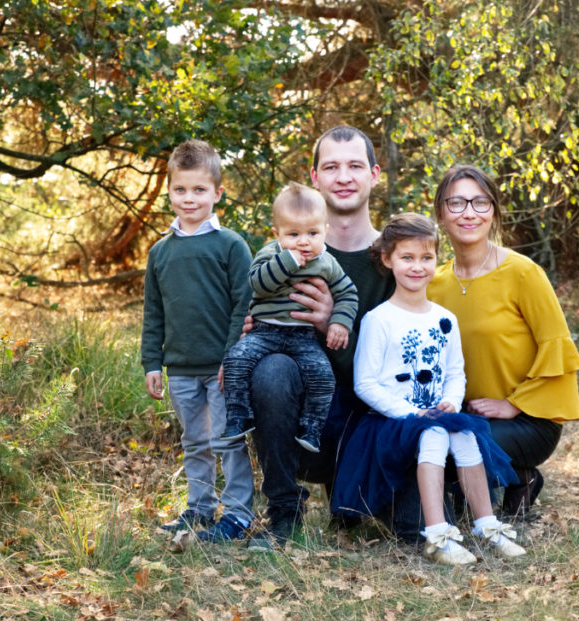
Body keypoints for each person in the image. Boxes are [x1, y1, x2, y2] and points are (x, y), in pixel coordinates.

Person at [245, 125, 408, 550]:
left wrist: (328, 322)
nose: (343, 177)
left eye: (355, 166)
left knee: (403, 525)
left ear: (374, 175)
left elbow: (400, 369)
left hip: (370, 417)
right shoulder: (285, 253)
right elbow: (248, 313)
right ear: (315, 178)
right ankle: (284, 512)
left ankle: (356, 493)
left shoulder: (398, 261)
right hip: (301, 422)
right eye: (331, 167)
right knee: (272, 368)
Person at [331, 213, 524, 565]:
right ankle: (438, 535)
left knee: (465, 433)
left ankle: (487, 524)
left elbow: (455, 373)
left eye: (426, 257)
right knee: (434, 433)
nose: (417, 267)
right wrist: (410, 413)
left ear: (438, 259)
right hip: (392, 422)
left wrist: (451, 400)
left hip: (437, 412)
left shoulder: (443, 318)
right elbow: (365, 383)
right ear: (388, 260)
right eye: (407, 257)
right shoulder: (378, 320)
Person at [427, 164, 579, 519]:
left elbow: (556, 347)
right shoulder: (434, 284)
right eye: (457, 203)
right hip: (466, 414)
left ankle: (522, 477)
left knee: (457, 453)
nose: (469, 212)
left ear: (494, 211)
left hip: (527, 420)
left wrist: (514, 404)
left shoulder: (523, 273)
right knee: (423, 450)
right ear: (440, 212)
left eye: (480, 202)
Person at [140, 139, 256, 543]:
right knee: (194, 441)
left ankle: (239, 512)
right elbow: (154, 312)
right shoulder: (160, 252)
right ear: (169, 191)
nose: (189, 199)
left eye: (199, 190)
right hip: (182, 369)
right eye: (181, 190)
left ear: (217, 193)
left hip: (222, 366)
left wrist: (232, 358)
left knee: (227, 440)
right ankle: (200, 508)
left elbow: (245, 306)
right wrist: (152, 363)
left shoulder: (230, 245)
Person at [220, 183, 358, 453]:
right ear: (277, 234)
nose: (304, 241)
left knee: (323, 376)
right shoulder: (271, 254)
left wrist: (340, 322)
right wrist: (287, 261)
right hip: (263, 332)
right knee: (235, 360)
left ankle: (311, 428)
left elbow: (348, 293)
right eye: (293, 234)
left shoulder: (327, 262)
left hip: (303, 337)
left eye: (312, 233)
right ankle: (239, 416)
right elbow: (258, 283)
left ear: (325, 231)